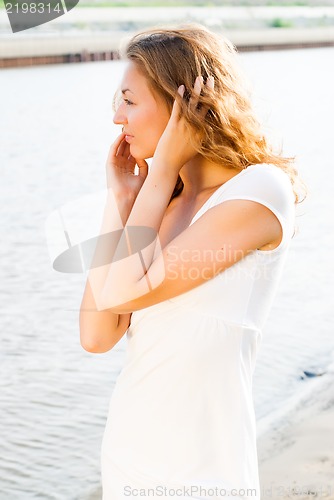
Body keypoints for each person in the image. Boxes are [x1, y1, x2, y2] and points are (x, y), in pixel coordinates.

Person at [79, 23, 304, 500]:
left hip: (204, 474)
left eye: (129, 100)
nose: (117, 117)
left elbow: (120, 291)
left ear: (183, 105)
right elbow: (96, 335)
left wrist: (159, 172)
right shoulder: (161, 203)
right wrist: (121, 200)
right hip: (128, 459)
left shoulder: (259, 192)